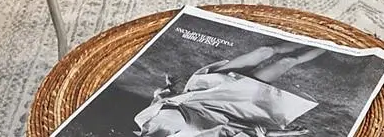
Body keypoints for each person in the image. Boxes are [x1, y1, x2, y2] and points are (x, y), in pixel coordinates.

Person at [131, 40, 325, 137]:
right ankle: (333, 42)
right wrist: (280, 133)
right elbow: (231, 131)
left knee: (266, 50)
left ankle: (310, 35)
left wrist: (168, 87)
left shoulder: (142, 119)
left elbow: (161, 101)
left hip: (211, 84)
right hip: (239, 99)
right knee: (287, 62)